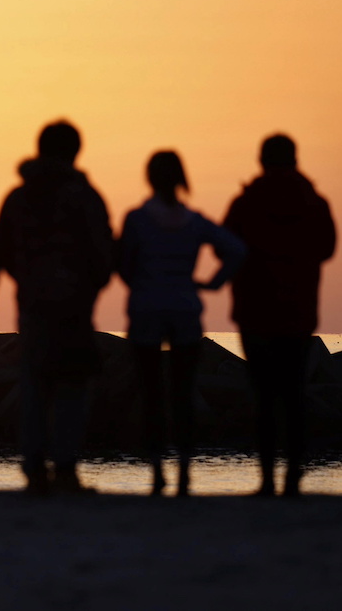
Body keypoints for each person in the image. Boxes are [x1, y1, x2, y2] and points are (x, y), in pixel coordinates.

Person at [118, 150, 245, 497]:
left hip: (146, 309)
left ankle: (158, 471)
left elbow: (123, 263)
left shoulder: (137, 220)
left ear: (149, 178)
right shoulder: (195, 222)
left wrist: (140, 284)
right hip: (185, 309)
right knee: (183, 393)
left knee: (151, 393)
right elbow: (236, 250)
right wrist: (213, 283)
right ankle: (186, 471)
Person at [0, 120, 114, 495]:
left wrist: (27, 280)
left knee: (34, 384)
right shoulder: (84, 196)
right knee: (72, 386)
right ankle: (64, 469)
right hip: (75, 306)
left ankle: (33, 468)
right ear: (75, 152)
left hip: (33, 305)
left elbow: (3, 250)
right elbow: (102, 250)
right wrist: (90, 285)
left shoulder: (18, 198)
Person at [223, 134, 336, 498]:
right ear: (295, 160)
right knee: (294, 396)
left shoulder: (247, 203)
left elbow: (226, 245)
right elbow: (328, 247)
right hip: (297, 313)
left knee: (264, 398)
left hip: (255, 312)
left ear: (261, 161)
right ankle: (293, 479)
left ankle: (268, 479)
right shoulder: (314, 202)